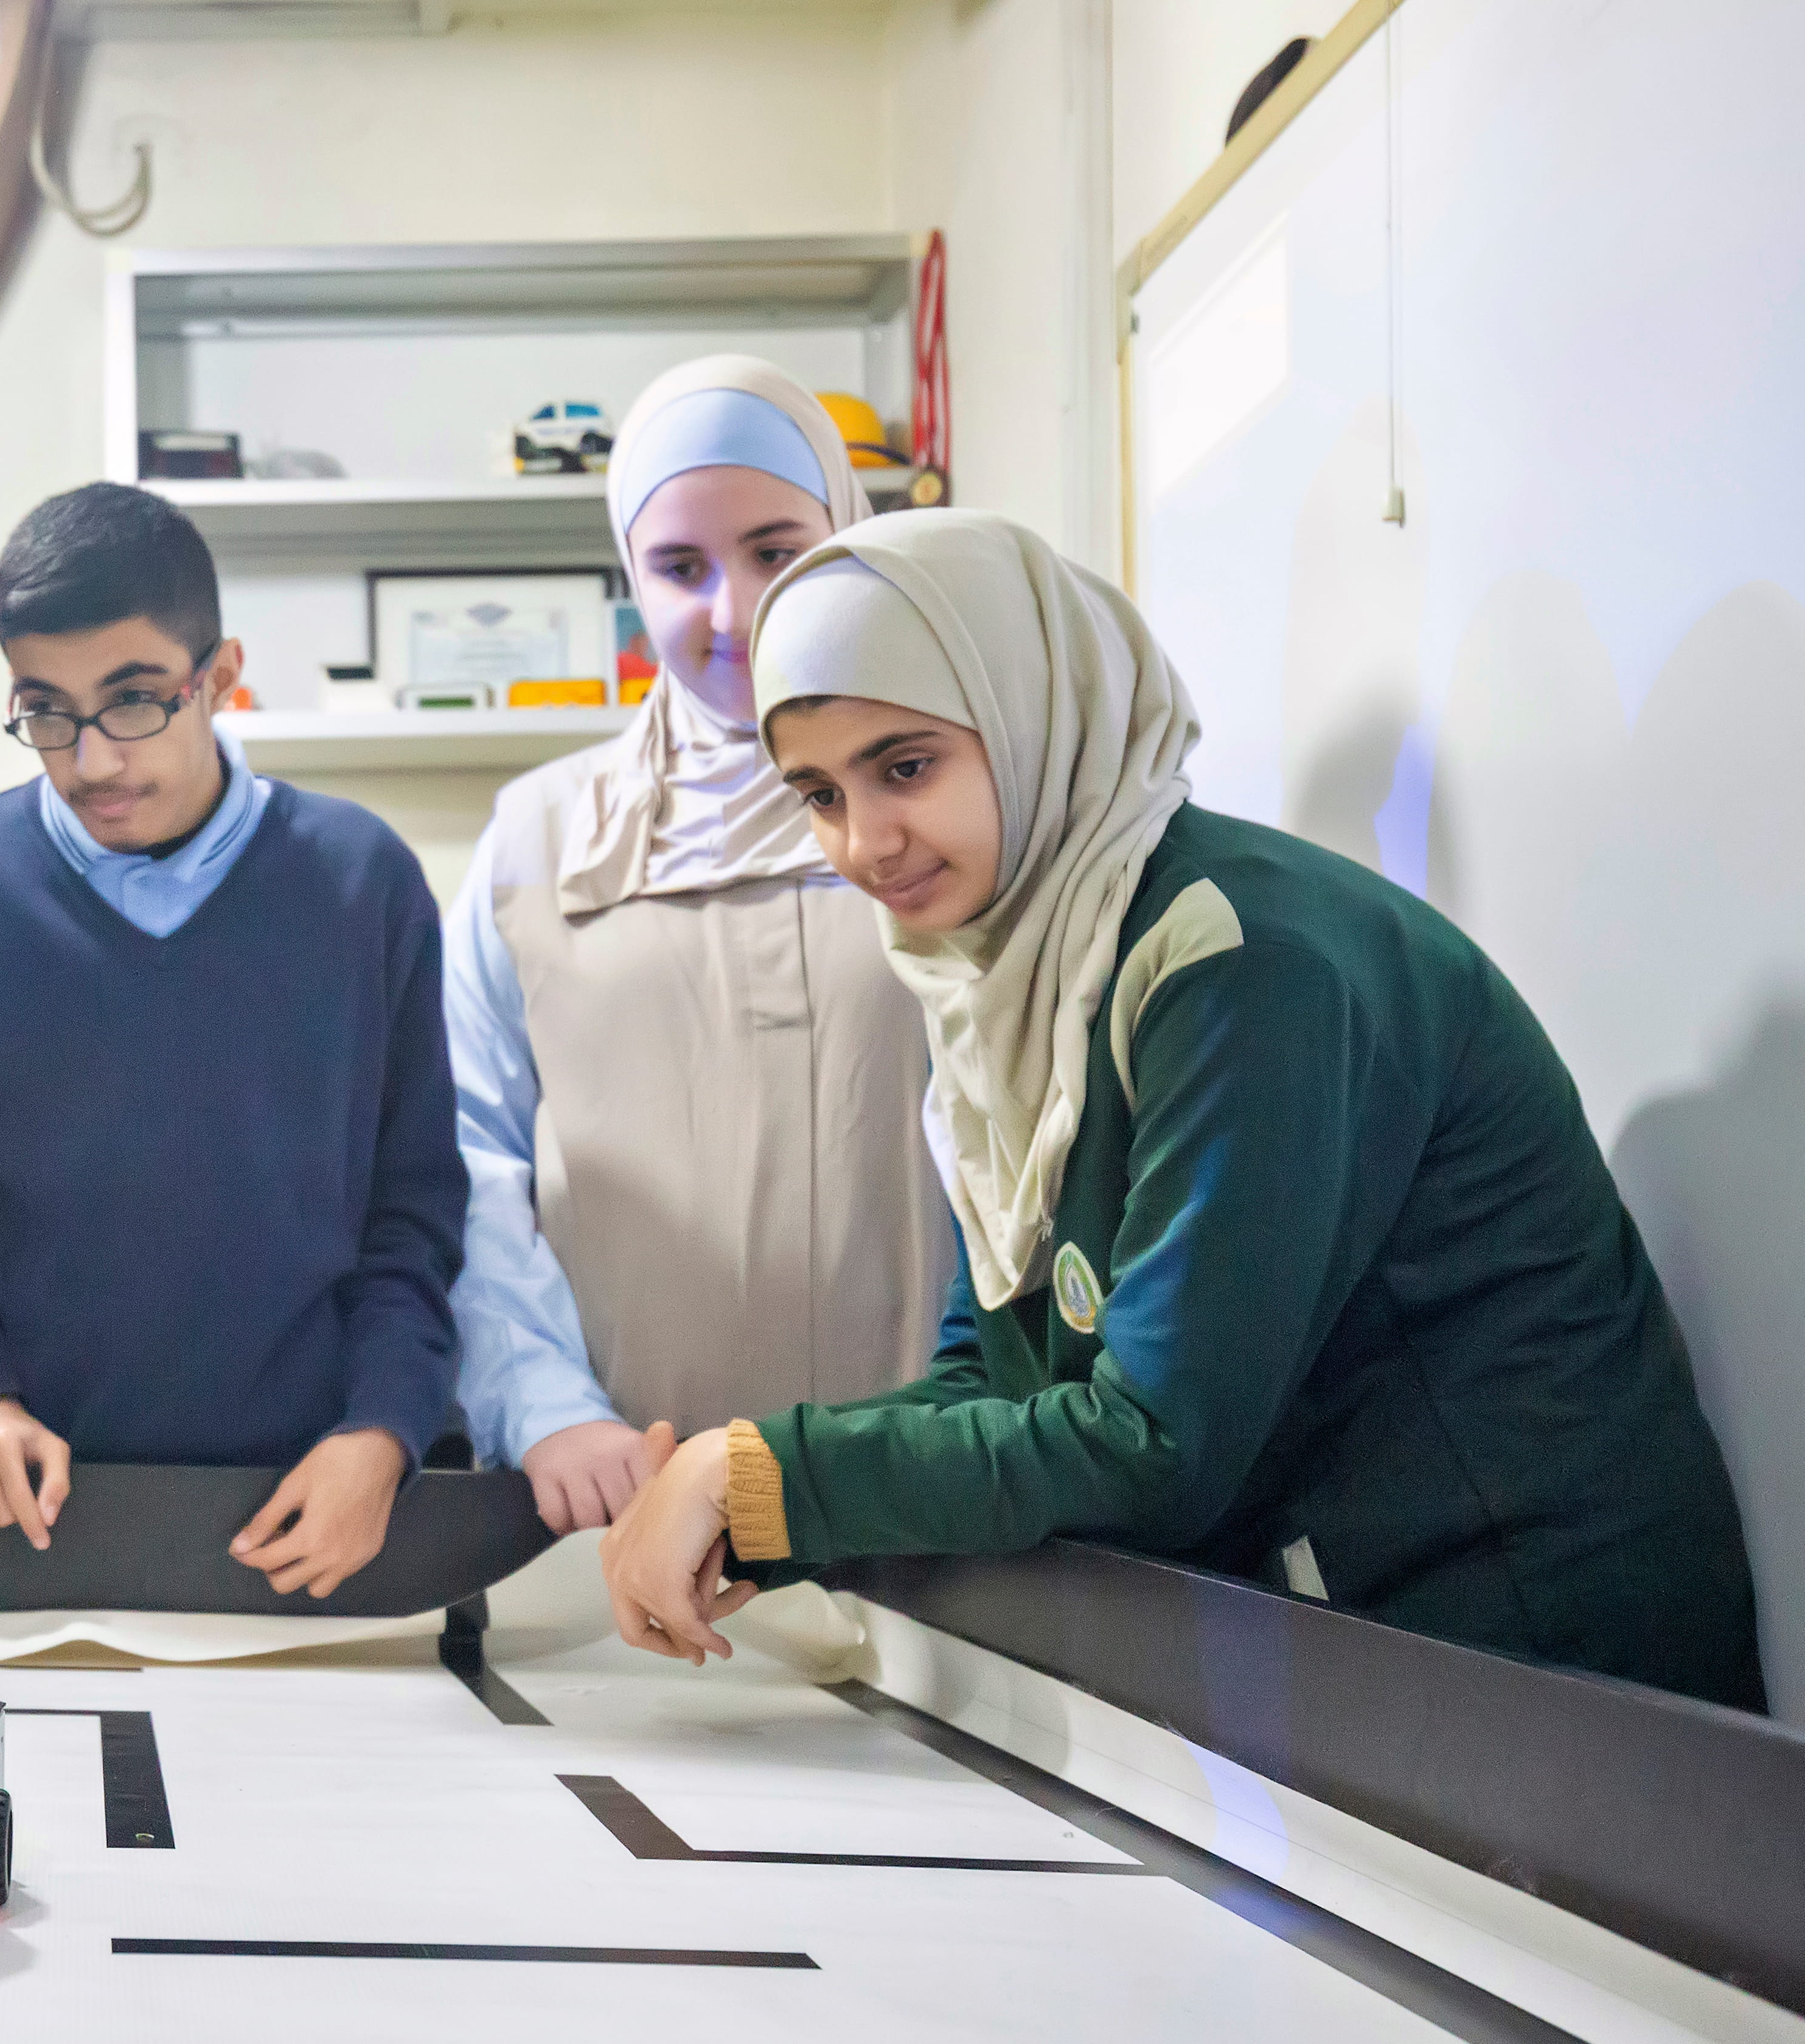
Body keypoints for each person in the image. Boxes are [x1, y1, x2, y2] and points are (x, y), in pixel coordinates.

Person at [600, 508, 1766, 1708]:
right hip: (1368, 1643)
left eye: (906, 768)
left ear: (1035, 713)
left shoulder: (1239, 960)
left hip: (1544, 1671)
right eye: (818, 793)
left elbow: (1157, 1441)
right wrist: (740, 1508)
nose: (866, 843)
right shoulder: (1008, 980)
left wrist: (759, 1477)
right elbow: (992, 1376)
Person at [0, 482, 468, 1603]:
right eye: (46, 710)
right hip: (44, 1522)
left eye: (135, 701)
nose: (92, 761)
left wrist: (384, 1432)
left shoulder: (361, 883)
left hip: (322, 1506)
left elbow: (415, 1212)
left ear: (221, 676)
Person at [445, 356, 949, 1535]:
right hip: (623, 1495)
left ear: (848, 538)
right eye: (680, 568)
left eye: (778, 551)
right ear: (631, 577)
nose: (734, 612)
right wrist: (545, 1407)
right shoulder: (538, 838)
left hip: (924, 1487)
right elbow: (462, 1156)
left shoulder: (946, 815)